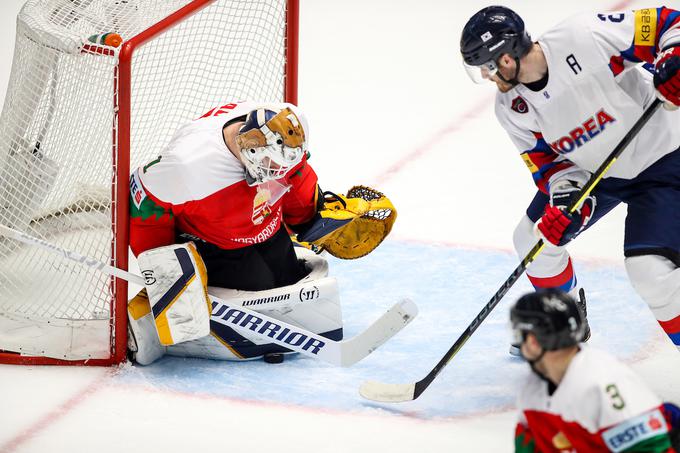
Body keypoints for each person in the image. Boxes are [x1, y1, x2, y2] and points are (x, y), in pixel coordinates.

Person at [460, 6, 680, 352]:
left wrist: (675, 56)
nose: (488, 77)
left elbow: (668, 22)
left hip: (663, 158)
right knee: (534, 241)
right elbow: (548, 166)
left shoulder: (583, 37)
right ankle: (567, 325)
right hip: (599, 172)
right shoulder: (511, 108)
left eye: (487, 67)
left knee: (650, 273)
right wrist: (567, 204)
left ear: (505, 59)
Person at [126, 101, 396, 364]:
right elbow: (144, 202)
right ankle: (150, 314)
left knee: (288, 279)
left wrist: (309, 218)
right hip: (209, 238)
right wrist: (162, 271)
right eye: (270, 164)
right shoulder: (188, 166)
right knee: (262, 285)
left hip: (263, 224)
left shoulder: (286, 122)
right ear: (251, 144)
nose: (276, 172)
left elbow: (296, 172)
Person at [510, 289, 680, 452]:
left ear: (532, 341)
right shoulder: (533, 388)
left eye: (519, 333)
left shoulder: (602, 383)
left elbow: (652, 449)